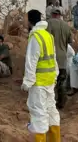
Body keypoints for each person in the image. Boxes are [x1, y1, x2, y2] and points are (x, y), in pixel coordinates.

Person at [23, 9, 60, 142]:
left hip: (38, 83)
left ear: (30, 21)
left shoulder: (35, 37)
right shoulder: (48, 36)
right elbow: (54, 59)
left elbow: (31, 61)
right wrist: (55, 76)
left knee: (38, 116)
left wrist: (27, 82)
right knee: (51, 113)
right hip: (50, 81)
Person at [47, 7, 72, 109]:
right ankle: (61, 103)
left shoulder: (48, 23)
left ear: (52, 14)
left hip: (50, 57)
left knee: (50, 81)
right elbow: (70, 41)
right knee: (61, 81)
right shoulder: (66, 26)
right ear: (60, 15)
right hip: (62, 57)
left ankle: (50, 103)